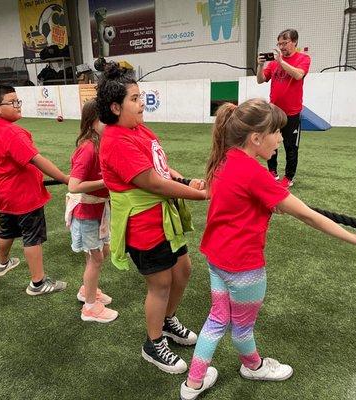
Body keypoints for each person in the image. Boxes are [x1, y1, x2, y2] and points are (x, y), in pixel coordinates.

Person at [179, 99, 356, 400]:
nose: (280, 139)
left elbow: (241, 201)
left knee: (218, 318)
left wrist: (268, 204)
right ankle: (254, 366)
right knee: (242, 328)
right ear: (256, 138)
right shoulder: (256, 174)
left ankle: (192, 383)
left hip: (217, 261)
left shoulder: (224, 160)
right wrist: (355, 238)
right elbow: (307, 215)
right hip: (244, 269)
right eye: (276, 132)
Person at [97, 63, 207, 374]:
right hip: (143, 225)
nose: (141, 102)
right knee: (160, 284)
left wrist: (186, 182)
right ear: (116, 107)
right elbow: (153, 182)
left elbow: (161, 168)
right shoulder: (116, 140)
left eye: (140, 96)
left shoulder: (139, 130)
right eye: (134, 98)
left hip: (164, 219)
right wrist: (199, 194)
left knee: (182, 271)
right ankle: (153, 342)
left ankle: (167, 321)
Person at [0, 84, 69, 295]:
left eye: (18, 101)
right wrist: (65, 178)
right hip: (23, 195)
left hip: (4, 193)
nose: (18, 105)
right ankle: (38, 283)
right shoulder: (11, 132)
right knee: (32, 236)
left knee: (7, 230)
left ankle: (1, 264)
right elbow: (36, 159)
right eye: (12, 102)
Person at [65, 99, 117, 323]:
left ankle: (88, 289)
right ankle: (89, 307)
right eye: (106, 118)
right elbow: (73, 185)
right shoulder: (88, 148)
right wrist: (105, 181)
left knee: (100, 254)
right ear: (93, 120)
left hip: (97, 210)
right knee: (96, 258)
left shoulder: (101, 142)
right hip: (86, 211)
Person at [257, 28, 311, 188]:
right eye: (279, 44)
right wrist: (260, 66)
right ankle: (272, 172)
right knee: (269, 142)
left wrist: (281, 62)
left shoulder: (303, 58)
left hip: (292, 113)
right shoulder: (273, 63)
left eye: (284, 43)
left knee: (290, 146)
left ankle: (289, 177)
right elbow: (260, 80)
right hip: (273, 112)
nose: (281, 47)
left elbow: (298, 75)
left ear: (294, 42)